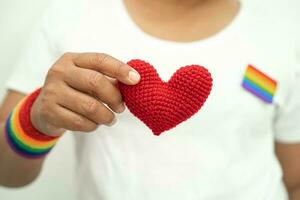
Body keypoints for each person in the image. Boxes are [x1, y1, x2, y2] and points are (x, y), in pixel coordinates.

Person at [0, 0, 299, 199]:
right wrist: (36, 120)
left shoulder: (284, 34)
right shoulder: (75, 15)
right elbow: (6, 172)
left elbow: (295, 179)